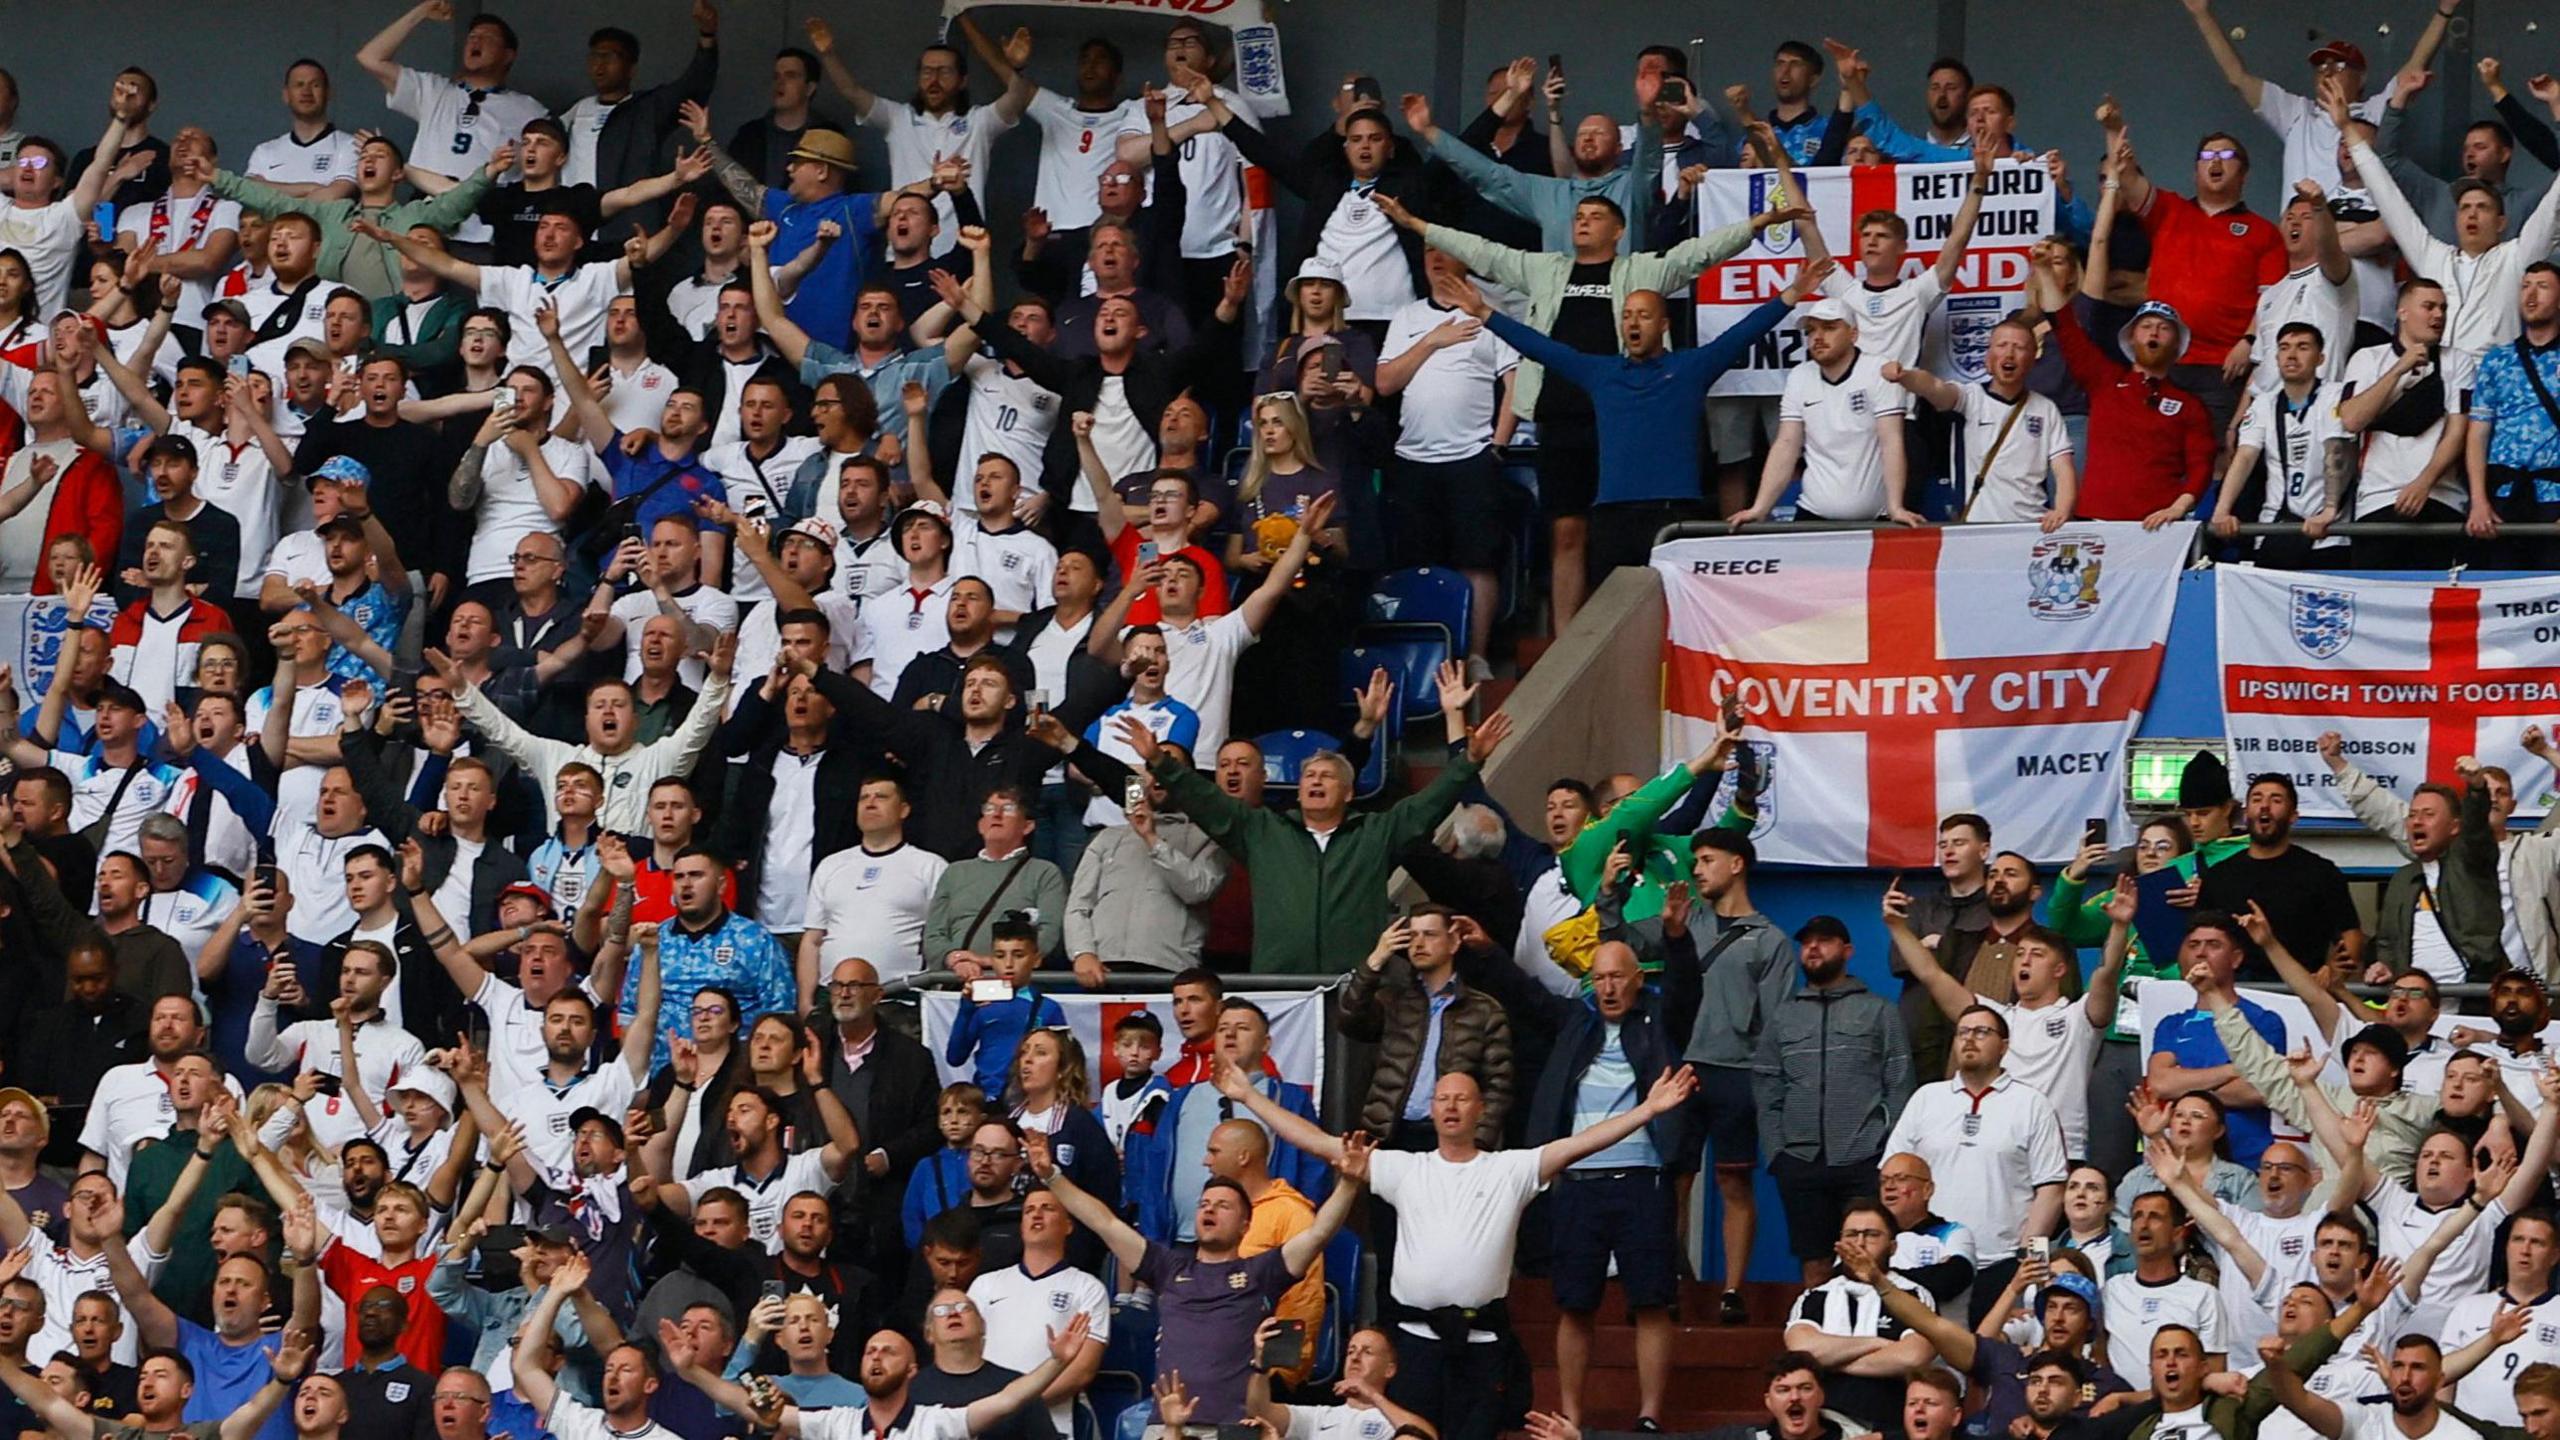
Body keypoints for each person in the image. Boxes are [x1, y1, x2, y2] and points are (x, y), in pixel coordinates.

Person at [1131, 661, 1509, 972]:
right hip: (1279, 993)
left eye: (1327, 776)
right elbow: (1206, 801)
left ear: (1348, 792)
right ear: (1297, 790)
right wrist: (1160, 762)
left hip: (1355, 989)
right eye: (1309, 775)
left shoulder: (1375, 833)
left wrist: (1469, 760)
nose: (1316, 781)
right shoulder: (1263, 830)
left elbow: (1428, 804)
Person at [356, 2, 548, 248]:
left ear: (508, 54)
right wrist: (422, 11)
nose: (475, 42)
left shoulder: (529, 110)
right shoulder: (434, 91)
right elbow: (370, 58)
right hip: (422, 223)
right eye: (472, 37)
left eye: (487, 38)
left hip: (481, 229)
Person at [2198, 773, 2365, 980]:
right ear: (2245, 812)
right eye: (2257, 799)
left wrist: (2333, 974)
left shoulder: (2321, 873)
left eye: (2276, 800)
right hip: (2233, 995)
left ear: (2294, 815)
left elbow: (2350, 934)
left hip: (2301, 997)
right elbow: (2197, 937)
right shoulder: (2218, 876)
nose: (2265, 806)